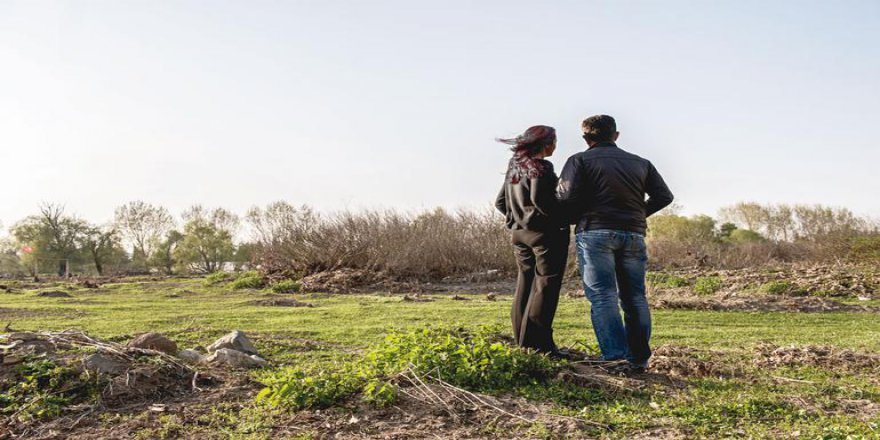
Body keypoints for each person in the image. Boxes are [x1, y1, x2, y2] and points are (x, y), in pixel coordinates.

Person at [557, 115, 673, 373]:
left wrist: (572, 218)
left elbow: (565, 197)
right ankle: (639, 360)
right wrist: (638, 213)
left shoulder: (579, 160)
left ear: (586, 138)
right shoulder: (641, 162)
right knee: (635, 298)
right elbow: (664, 196)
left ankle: (615, 358)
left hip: (595, 232)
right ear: (616, 135)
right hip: (633, 234)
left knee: (603, 297)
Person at [494, 125, 570, 355]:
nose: (556, 146)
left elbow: (500, 202)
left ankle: (523, 342)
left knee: (525, 284)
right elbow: (542, 202)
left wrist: (517, 218)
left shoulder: (514, 168)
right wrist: (565, 218)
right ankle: (541, 347)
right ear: (546, 144)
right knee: (546, 287)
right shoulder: (542, 168)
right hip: (545, 235)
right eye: (555, 142)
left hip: (518, 234)